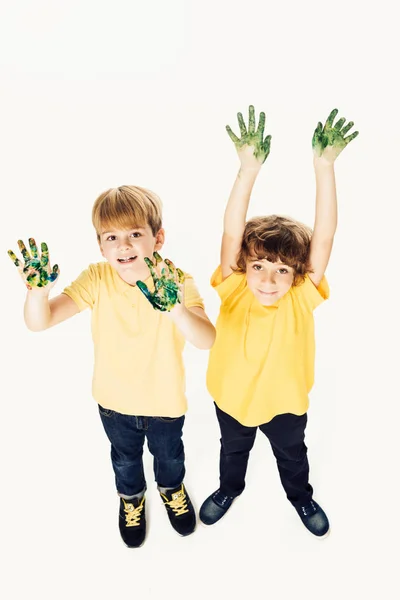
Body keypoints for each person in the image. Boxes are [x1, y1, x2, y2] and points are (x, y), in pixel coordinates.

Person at [8, 185, 216, 548]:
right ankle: (132, 499)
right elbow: (40, 322)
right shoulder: (97, 278)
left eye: (136, 234)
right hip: (113, 404)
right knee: (124, 461)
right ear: (100, 246)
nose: (124, 246)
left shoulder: (176, 281)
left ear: (158, 237)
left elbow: (206, 339)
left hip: (165, 404)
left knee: (169, 457)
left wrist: (176, 309)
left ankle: (171, 489)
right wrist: (37, 293)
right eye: (112, 237)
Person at [199, 106, 358, 537]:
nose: (269, 279)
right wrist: (247, 171)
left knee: (292, 456)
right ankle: (229, 490)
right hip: (230, 399)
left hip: (285, 404)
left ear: (298, 274)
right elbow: (232, 233)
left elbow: (323, 237)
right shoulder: (233, 288)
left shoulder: (301, 298)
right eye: (259, 266)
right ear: (243, 266)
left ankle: (300, 498)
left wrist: (323, 167)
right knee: (232, 452)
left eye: (283, 270)